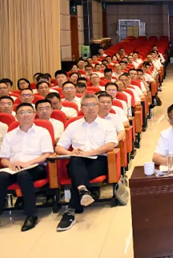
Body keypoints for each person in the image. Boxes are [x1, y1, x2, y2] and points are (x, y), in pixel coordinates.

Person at [54, 94, 119, 232]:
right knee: (75, 161)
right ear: (81, 108)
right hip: (77, 161)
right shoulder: (73, 125)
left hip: (99, 161)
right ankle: (82, 192)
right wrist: (71, 153)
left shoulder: (107, 124)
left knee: (76, 174)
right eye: (86, 105)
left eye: (93, 104)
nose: (90, 108)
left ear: (98, 106)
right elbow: (59, 148)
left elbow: (110, 145)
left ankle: (71, 210)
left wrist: (90, 153)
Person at [0, 103, 54, 231]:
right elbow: (4, 158)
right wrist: (10, 164)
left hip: (36, 167)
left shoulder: (42, 132)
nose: (26, 115)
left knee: (23, 176)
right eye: (22, 112)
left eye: (29, 112)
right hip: (14, 168)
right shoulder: (10, 135)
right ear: (17, 116)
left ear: (34, 114)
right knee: (1, 176)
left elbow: (47, 154)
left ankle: (31, 214)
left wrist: (28, 163)